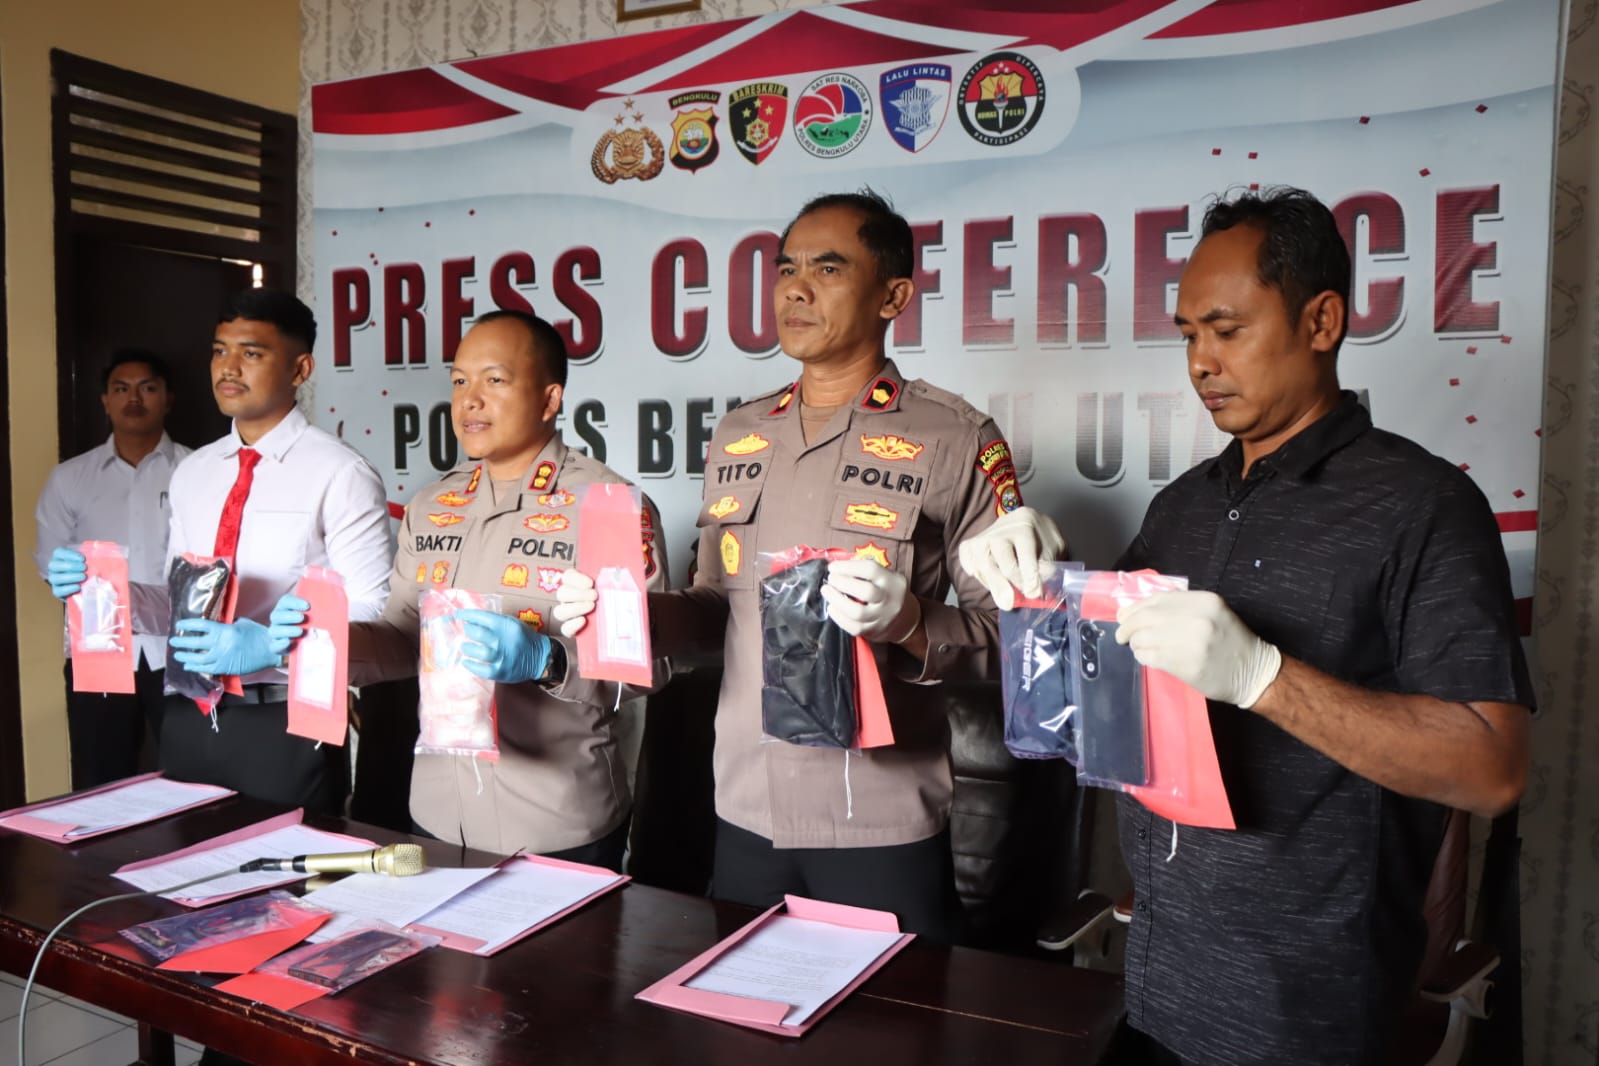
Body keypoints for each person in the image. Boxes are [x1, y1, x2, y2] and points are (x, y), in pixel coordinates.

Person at [958, 187, 1532, 1064]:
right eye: (1188, 334)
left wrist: (1265, 679)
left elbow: (1491, 769)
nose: (1201, 362)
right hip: (1155, 981)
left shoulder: (1422, 508)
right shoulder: (1183, 505)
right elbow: (1090, 684)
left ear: (1321, 321)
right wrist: (1037, 579)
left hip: (1305, 1015)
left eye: (1226, 330)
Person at [560, 190, 1019, 939]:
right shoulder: (740, 433)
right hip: (745, 806)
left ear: (893, 296)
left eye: (827, 269)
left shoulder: (955, 438)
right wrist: (632, 618)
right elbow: (717, 611)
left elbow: (1014, 640)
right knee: (746, 1004)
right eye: (785, 270)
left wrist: (908, 623)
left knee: (890, 1012)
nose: (795, 290)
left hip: (878, 819)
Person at [261, 310, 667, 871]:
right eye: (458, 381)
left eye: (494, 380)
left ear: (549, 399)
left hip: (555, 820)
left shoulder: (607, 504)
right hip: (435, 811)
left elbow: (647, 671)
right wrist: (322, 641)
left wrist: (549, 659)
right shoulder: (432, 505)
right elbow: (401, 639)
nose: (469, 400)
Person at [152, 289, 393, 814]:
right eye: (219, 351)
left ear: (300, 369)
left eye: (251, 353)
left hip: (287, 721)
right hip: (188, 712)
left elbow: (375, 614)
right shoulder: (193, 472)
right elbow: (179, 597)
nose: (228, 367)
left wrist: (276, 647)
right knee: (181, 858)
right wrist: (111, 594)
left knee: (290, 866)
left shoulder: (340, 473)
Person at [36, 349, 192, 787]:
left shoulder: (196, 471)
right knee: (101, 780)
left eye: (147, 388)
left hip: (181, 650)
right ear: (105, 400)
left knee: (194, 777)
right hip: (98, 651)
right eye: (121, 389)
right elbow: (51, 565)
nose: (134, 399)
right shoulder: (70, 478)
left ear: (167, 398)